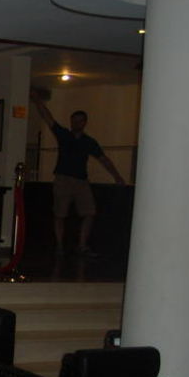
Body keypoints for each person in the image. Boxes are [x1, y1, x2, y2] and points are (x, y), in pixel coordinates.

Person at [31, 93, 126, 257]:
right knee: (60, 214)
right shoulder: (64, 135)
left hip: (81, 181)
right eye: (74, 121)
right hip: (63, 179)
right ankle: (59, 246)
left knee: (89, 212)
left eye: (80, 121)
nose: (76, 123)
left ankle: (82, 245)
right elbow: (48, 117)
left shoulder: (89, 142)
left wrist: (117, 176)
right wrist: (38, 101)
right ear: (71, 122)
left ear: (84, 123)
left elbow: (104, 159)